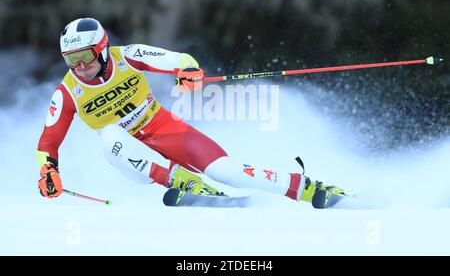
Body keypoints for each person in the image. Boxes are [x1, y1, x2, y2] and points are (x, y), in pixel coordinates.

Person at [36, 17, 345, 208]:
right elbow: (48, 143)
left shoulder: (127, 56)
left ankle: (308, 188)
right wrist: (48, 171)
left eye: (85, 56)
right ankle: (184, 182)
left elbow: (179, 59)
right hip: (130, 155)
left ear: (102, 48)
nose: (80, 66)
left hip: (164, 128)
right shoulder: (66, 93)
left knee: (228, 172)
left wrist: (190, 71)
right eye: (70, 59)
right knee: (110, 136)